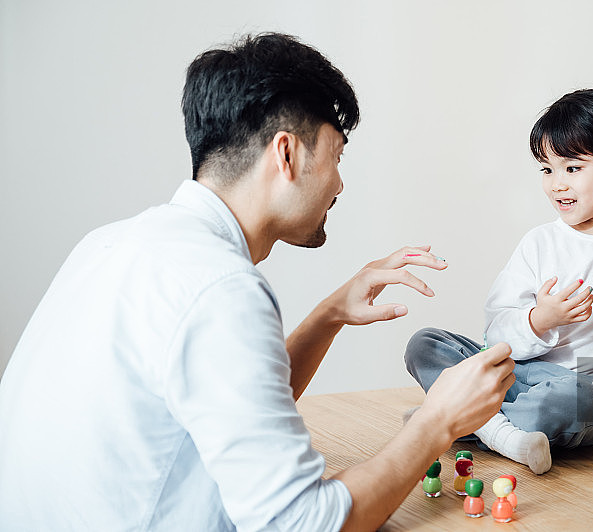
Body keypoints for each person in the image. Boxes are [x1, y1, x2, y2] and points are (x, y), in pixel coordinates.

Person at [0, 33, 516, 531]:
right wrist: (437, 420)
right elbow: (301, 524)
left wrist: (329, 314)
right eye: (336, 156)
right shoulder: (222, 288)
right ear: (286, 154)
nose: (339, 183)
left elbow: (232, 409)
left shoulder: (111, 244)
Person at [405, 88, 593, 474]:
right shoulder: (541, 242)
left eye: (572, 168)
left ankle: (458, 420)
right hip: (519, 374)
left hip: (590, 387)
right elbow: (496, 329)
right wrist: (540, 319)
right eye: (546, 169)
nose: (556, 184)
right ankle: (499, 431)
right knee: (426, 344)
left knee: (568, 402)